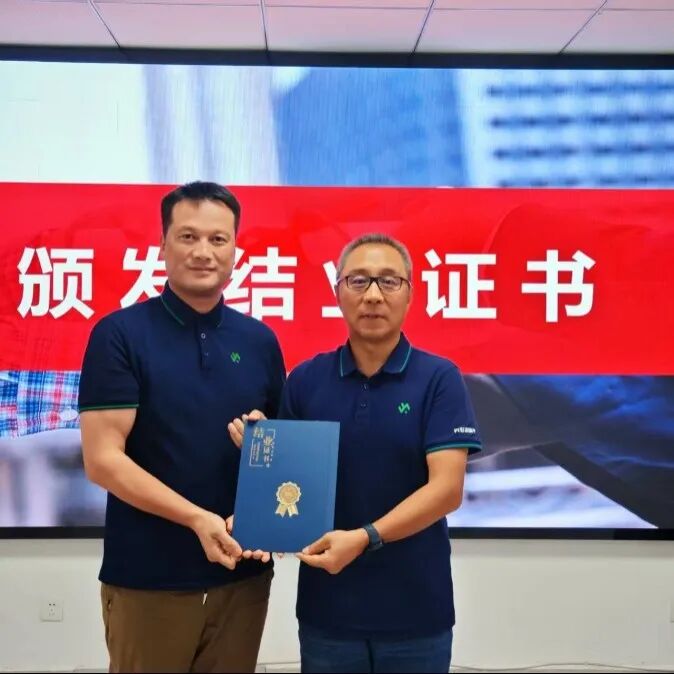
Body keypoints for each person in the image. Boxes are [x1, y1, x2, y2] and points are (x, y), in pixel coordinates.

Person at [230, 233, 481, 673]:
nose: (373, 295)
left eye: (389, 281)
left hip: (416, 610)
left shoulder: (439, 378)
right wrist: (258, 455)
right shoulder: (306, 380)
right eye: (359, 280)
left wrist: (365, 538)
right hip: (328, 612)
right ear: (338, 292)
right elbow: (290, 485)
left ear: (410, 293)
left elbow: (446, 490)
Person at [79, 181, 286, 673]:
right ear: (163, 244)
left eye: (218, 239)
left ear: (235, 250)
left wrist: (265, 444)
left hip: (242, 577)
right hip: (149, 581)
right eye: (188, 237)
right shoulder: (120, 335)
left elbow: (282, 455)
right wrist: (196, 518)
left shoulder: (259, 341)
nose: (203, 252)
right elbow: (103, 460)